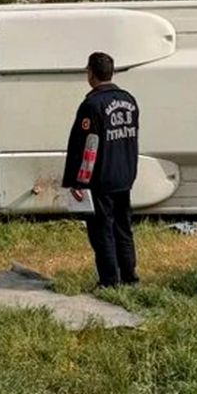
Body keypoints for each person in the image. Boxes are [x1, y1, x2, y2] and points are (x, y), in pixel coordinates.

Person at [62, 52, 141, 288]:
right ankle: (129, 276)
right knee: (123, 227)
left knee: (102, 230)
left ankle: (109, 280)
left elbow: (89, 146)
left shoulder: (92, 105)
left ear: (91, 73)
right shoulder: (129, 100)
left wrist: (79, 180)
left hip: (102, 178)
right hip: (125, 175)